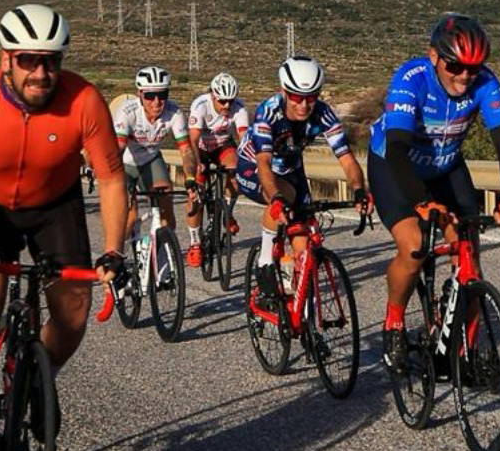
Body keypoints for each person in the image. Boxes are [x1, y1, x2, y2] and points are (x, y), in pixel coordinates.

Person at [0, 4, 128, 451]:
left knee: (73, 310)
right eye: (29, 60)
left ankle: (41, 378)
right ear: (6, 60)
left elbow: (113, 179)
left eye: (52, 61)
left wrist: (115, 248)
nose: (42, 72)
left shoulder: (83, 101)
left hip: (55, 206)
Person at [366, 13, 500, 370]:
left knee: (468, 252)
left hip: (446, 165)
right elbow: (396, 149)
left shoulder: (484, 82)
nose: (465, 76)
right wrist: (422, 202)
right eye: (455, 66)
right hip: (396, 166)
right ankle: (394, 320)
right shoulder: (412, 79)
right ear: (435, 56)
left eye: (474, 68)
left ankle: (462, 347)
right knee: (414, 248)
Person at [236, 55, 371, 304]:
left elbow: (347, 159)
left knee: (305, 241)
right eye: (297, 96)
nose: (304, 104)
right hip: (254, 166)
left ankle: (303, 312)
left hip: (290, 166)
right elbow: (264, 163)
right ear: (284, 91)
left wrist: (359, 191)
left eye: (311, 97)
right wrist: (275, 198)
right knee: (284, 196)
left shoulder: (323, 114)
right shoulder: (268, 112)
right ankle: (265, 263)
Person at [111, 65, 198, 259]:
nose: (157, 102)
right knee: (129, 216)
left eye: (162, 94)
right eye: (150, 96)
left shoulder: (174, 112)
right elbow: (119, 148)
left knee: (166, 204)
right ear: (140, 94)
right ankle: (117, 262)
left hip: (151, 159)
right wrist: (113, 177)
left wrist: (191, 178)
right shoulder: (128, 111)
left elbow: (185, 151)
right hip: (125, 162)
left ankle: (161, 261)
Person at [184, 72, 248, 267]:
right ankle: (195, 244)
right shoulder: (200, 106)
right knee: (196, 196)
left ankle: (226, 212)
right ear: (212, 96)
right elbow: (192, 140)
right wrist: (197, 162)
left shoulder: (239, 107)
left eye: (230, 101)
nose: (227, 106)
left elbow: (244, 138)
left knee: (236, 169)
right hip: (200, 148)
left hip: (221, 145)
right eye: (222, 101)